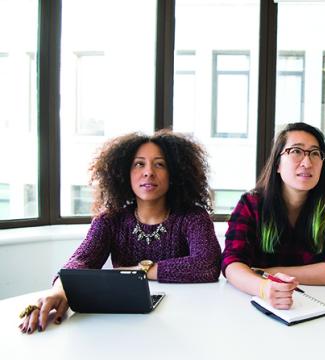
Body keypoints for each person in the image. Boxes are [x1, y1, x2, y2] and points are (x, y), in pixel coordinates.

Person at [19, 129, 221, 334]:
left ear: (174, 174)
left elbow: (207, 264)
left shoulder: (193, 217)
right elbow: (81, 261)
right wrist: (59, 292)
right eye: (139, 164)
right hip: (123, 322)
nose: (148, 172)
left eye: (160, 164)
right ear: (124, 172)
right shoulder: (110, 220)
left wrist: (137, 271)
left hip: (184, 320)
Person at [222, 122, 325, 309]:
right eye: (296, 151)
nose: (307, 163)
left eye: (315, 153)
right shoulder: (251, 204)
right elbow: (232, 264)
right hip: (257, 304)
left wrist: (269, 273)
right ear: (277, 163)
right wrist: (264, 288)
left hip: (317, 306)